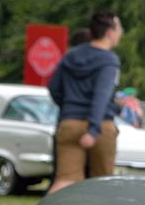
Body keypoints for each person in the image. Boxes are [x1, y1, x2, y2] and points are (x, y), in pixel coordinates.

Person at [47, 11, 122, 193]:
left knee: (65, 181)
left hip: (69, 123)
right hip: (100, 126)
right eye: (119, 28)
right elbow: (101, 96)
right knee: (101, 183)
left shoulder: (71, 56)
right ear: (109, 32)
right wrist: (93, 129)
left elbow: (53, 87)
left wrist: (70, 109)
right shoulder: (108, 60)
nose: (121, 32)